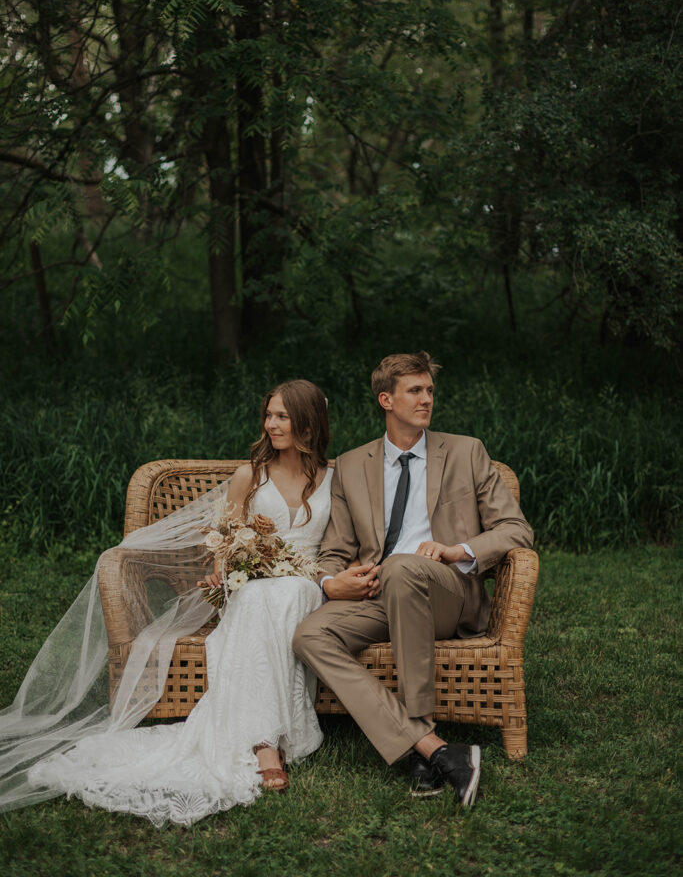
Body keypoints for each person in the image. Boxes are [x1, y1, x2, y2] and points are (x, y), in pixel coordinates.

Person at [1, 379, 332, 826]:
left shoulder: (334, 478)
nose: (271, 424)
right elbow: (223, 542)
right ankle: (264, 743)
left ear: (308, 423)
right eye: (269, 415)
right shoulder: (249, 476)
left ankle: (268, 736)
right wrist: (229, 567)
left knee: (289, 592)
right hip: (252, 585)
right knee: (256, 598)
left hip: (309, 584)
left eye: (282, 416)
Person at [293, 352, 534, 806]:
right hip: (378, 594)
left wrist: (457, 551)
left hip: (445, 592)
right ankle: (432, 747)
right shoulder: (350, 465)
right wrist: (331, 582)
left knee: (403, 566)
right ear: (386, 399)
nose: (427, 399)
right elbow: (334, 550)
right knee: (309, 635)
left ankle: (424, 733)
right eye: (415, 391)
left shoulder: (466, 451)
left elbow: (516, 529)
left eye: (429, 391)